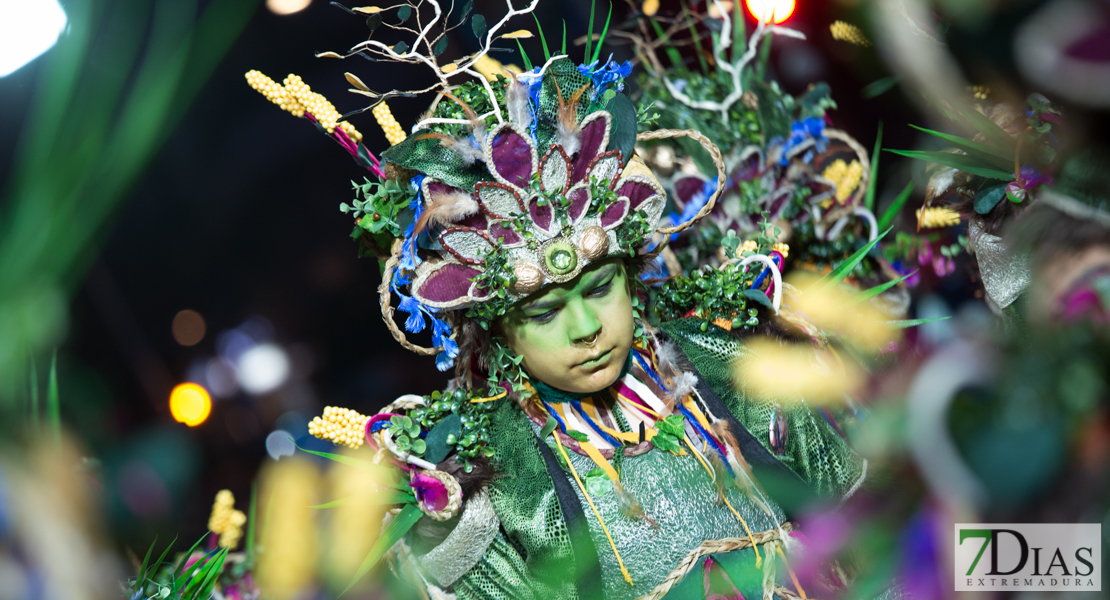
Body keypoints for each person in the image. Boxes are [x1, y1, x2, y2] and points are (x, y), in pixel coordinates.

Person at [248, 7, 868, 598]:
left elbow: (875, 528)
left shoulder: (729, 362)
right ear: (497, 334)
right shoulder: (491, 480)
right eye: (543, 311)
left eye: (600, 288)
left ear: (631, 272)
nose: (586, 329)